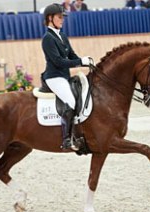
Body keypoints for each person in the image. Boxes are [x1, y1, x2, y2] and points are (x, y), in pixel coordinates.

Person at [41, 3, 93, 150]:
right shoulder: (47, 38)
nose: (62, 20)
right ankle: (66, 139)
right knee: (70, 100)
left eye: (62, 17)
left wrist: (84, 61)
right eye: (59, 17)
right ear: (50, 18)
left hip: (64, 75)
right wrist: (79, 62)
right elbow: (58, 61)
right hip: (54, 77)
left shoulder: (62, 36)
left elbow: (71, 55)